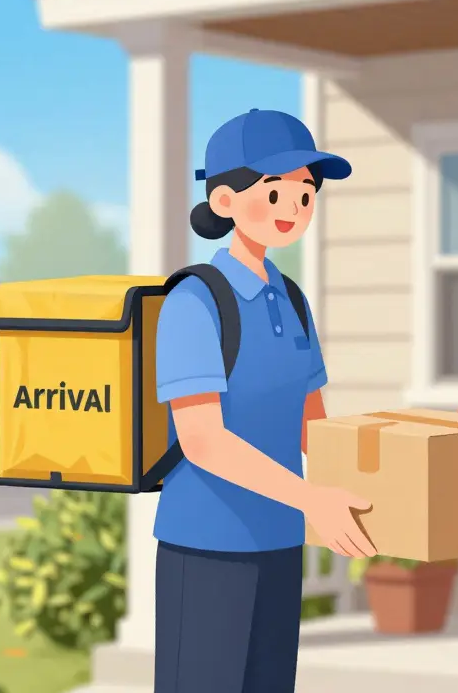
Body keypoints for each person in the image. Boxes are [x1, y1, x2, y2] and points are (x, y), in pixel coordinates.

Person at [153, 108, 377, 693]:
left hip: (280, 540)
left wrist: (377, 493)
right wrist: (311, 498)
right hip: (207, 547)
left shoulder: (292, 300)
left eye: (305, 194)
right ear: (224, 200)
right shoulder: (194, 302)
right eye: (275, 192)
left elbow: (313, 426)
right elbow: (203, 440)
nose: (293, 208)